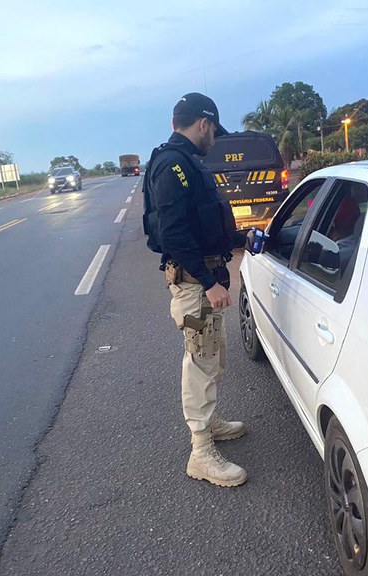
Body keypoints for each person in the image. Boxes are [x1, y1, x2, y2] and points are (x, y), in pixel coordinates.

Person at [142, 93, 248, 488]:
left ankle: (212, 423)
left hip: (203, 277)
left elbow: (205, 224)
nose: (215, 139)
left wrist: (242, 237)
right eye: (214, 131)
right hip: (193, 285)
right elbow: (174, 233)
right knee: (201, 360)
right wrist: (210, 283)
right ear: (203, 124)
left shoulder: (187, 163)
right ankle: (201, 452)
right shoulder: (173, 165)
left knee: (213, 356)